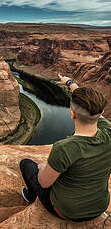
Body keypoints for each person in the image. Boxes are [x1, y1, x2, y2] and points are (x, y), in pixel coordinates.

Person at [19, 74, 111, 222]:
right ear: (101, 113)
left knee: (26, 164)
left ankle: (30, 197)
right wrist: (70, 83)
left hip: (68, 212)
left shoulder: (64, 148)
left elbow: (44, 183)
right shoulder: (109, 131)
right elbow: (90, 105)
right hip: (99, 206)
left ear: (72, 114)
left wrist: (42, 167)